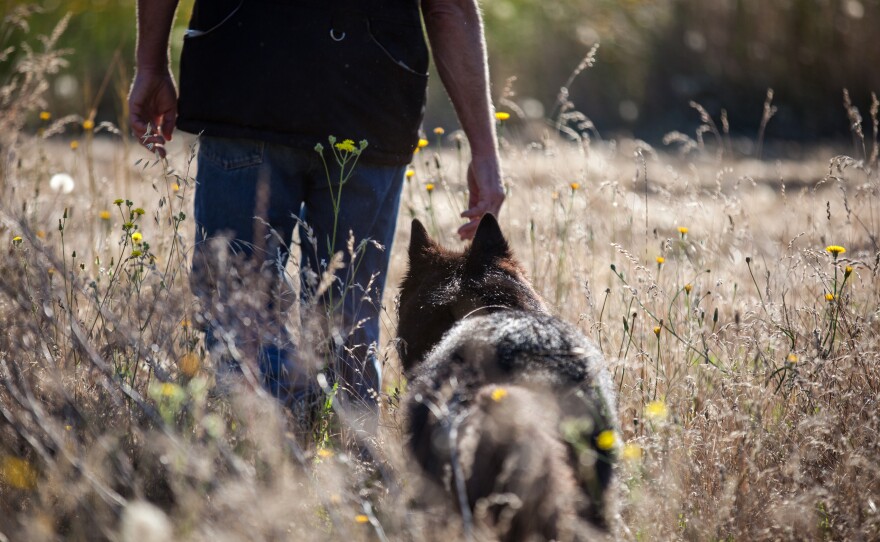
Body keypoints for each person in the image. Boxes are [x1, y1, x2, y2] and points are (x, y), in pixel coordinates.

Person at [128, 0, 505, 435]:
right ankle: (348, 471)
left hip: (245, 83)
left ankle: (268, 460)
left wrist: (150, 65)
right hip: (371, 98)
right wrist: (484, 151)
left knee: (240, 314)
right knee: (347, 327)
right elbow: (449, 8)